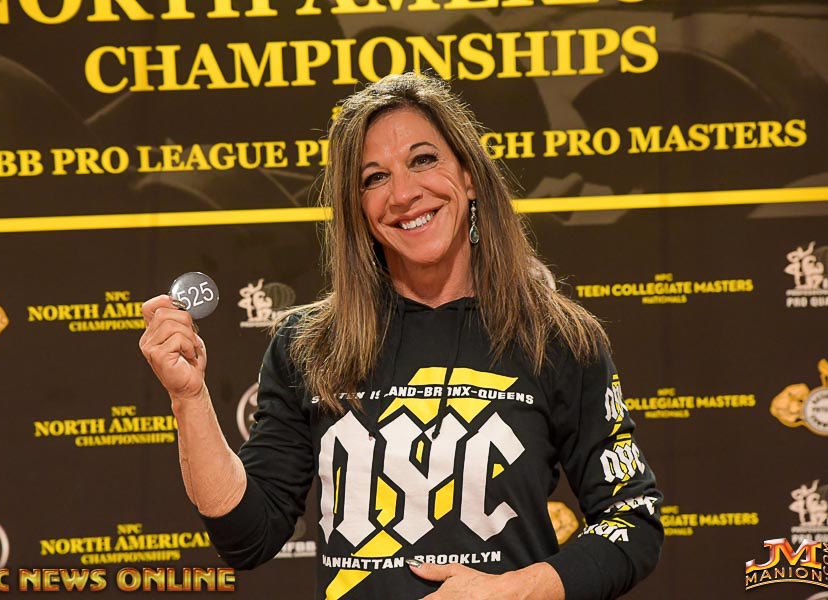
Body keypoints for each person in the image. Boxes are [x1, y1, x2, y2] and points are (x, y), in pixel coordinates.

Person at [140, 72, 663, 600]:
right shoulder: (308, 344)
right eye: (374, 178)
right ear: (358, 209)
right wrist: (189, 399)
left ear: (469, 175)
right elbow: (247, 536)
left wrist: (516, 590)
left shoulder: (556, 338)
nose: (405, 194)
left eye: (423, 160)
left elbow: (632, 520)